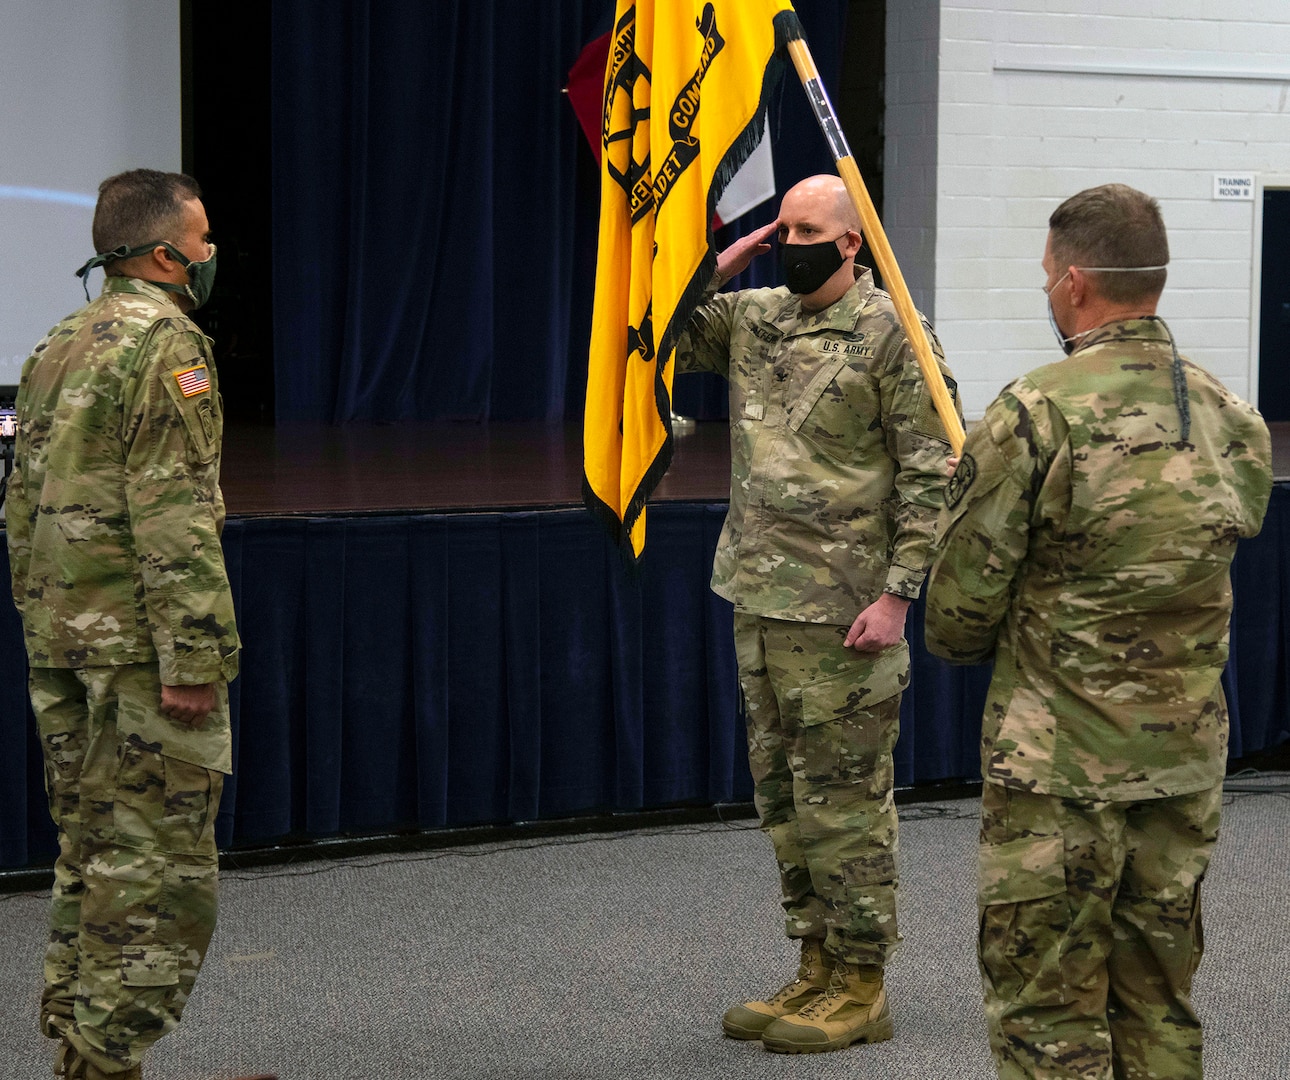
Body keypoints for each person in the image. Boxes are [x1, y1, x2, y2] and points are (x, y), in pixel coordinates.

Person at [924, 183, 1273, 1079]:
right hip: (1183, 763)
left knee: (1047, 1011)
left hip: (1058, 773)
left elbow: (959, 613)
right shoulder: (1233, 416)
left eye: (1048, 278)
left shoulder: (1034, 411)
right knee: (1159, 1001)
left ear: (1076, 283)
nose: (1048, 293)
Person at [675, 174, 960, 1054]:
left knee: (843, 806)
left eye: (808, 230)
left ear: (851, 244)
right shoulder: (756, 317)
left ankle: (864, 980)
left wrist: (897, 595)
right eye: (781, 228)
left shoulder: (894, 337)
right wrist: (712, 265)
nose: (788, 241)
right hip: (759, 596)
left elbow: (933, 474)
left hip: (845, 612)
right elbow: (662, 339)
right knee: (784, 800)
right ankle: (816, 964)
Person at [4, 170, 274, 1080]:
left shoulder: (56, 343)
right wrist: (192, 658)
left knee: (92, 849)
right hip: (140, 657)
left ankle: (90, 1059)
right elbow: (177, 516)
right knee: (157, 875)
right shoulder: (166, 348)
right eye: (200, 242)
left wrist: (45, 630)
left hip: (65, 645)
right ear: (165, 255)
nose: (208, 257)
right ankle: (107, 1060)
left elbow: (19, 504)